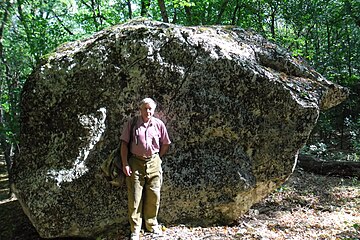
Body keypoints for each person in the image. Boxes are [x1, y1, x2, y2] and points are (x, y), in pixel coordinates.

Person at [120, 98, 171, 240]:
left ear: (153, 110)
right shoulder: (132, 123)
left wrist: (158, 158)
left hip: (154, 162)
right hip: (135, 162)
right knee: (135, 197)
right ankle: (135, 229)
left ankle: (151, 225)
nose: (148, 111)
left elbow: (166, 143)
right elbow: (123, 144)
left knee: (154, 196)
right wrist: (125, 163)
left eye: (150, 109)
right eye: (145, 108)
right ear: (140, 109)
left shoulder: (158, 124)